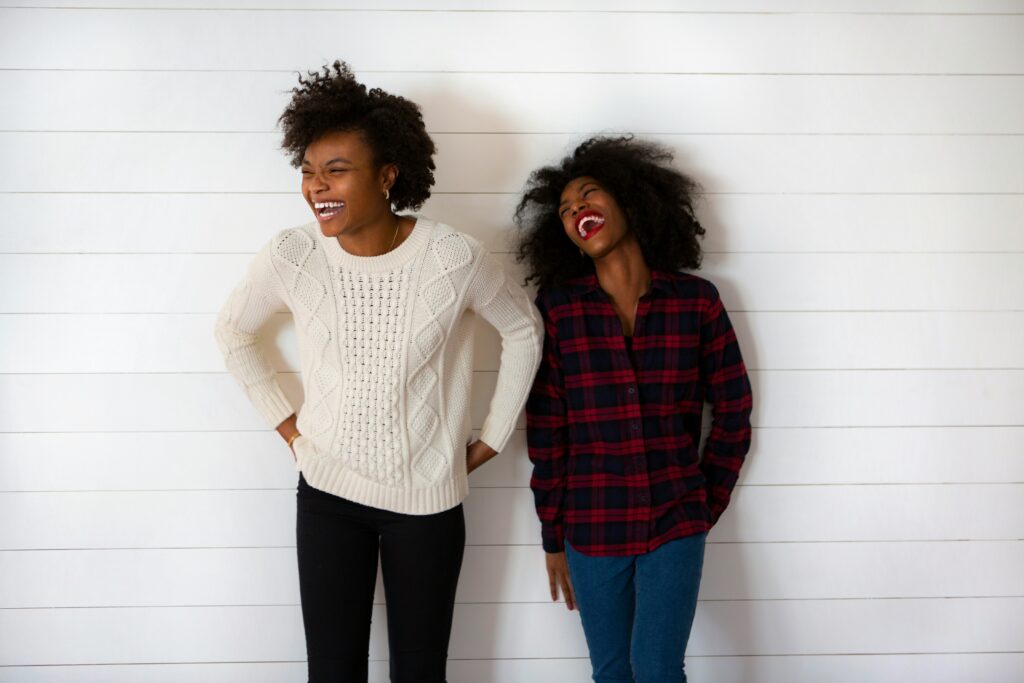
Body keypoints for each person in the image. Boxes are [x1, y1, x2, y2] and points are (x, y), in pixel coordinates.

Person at [214, 60, 542, 683]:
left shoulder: (453, 257)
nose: (317, 187)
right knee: (332, 673)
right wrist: (290, 431)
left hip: (429, 502)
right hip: (328, 494)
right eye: (308, 171)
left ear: (388, 175)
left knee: (420, 675)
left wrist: (494, 437)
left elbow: (524, 329)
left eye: (336, 170)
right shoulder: (293, 253)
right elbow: (232, 331)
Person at [514, 136, 752, 683]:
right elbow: (548, 434)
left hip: (676, 520)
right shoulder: (558, 313)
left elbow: (734, 409)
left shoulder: (697, 302)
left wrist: (703, 502)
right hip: (592, 527)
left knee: (659, 668)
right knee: (612, 672)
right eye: (567, 211)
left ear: (630, 202)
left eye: (589, 196)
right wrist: (553, 536)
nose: (577, 212)